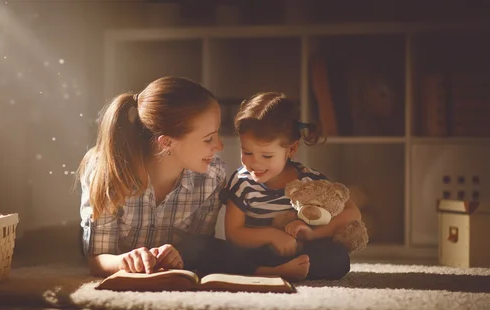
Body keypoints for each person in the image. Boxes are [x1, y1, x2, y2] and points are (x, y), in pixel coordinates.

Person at [77, 76, 226, 277]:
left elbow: (199, 248)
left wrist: (179, 255)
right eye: (208, 138)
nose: (219, 146)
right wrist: (123, 261)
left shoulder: (212, 177)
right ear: (167, 143)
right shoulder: (107, 171)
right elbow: (98, 259)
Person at [223, 92, 361, 281]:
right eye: (247, 152)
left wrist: (311, 233)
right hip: (256, 253)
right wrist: (272, 236)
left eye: (267, 156)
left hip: (298, 251)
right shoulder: (241, 181)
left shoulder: (309, 181)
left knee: (338, 259)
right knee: (205, 250)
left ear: (291, 149)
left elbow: (352, 212)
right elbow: (233, 233)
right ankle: (271, 272)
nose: (255, 163)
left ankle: (282, 269)